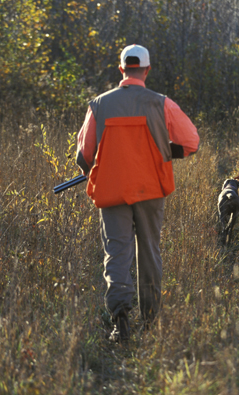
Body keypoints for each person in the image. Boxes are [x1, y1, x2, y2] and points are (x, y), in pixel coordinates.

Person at [77, 44, 200, 342]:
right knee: (149, 250)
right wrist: (160, 150)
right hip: (150, 189)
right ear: (147, 70)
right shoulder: (162, 103)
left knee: (117, 253)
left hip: (112, 190)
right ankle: (151, 319)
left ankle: (121, 321)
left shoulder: (99, 105)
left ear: (121, 69)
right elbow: (191, 143)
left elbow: (84, 156)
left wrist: (91, 169)